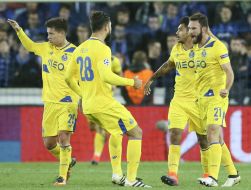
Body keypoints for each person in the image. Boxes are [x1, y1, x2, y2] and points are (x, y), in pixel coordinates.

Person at [65, 11, 151, 188]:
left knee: (117, 132)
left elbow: (68, 78)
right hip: (103, 102)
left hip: (88, 105)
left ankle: (117, 174)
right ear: (106, 27)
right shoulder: (103, 48)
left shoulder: (80, 48)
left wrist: (82, 94)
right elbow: (106, 76)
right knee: (136, 133)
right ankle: (132, 179)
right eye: (110, 25)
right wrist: (131, 82)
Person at [8, 17, 79, 186]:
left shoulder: (75, 53)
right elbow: (30, 46)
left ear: (62, 33)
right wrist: (19, 30)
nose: (48, 37)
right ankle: (68, 160)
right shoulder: (46, 48)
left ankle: (62, 177)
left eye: (51, 34)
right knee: (49, 143)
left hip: (68, 102)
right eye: (48, 34)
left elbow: (82, 78)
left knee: (63, 137)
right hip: (49, 103)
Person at [144, 16, 209, 186]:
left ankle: (208, 174)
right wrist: (151, 78)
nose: (176, 32)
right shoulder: (176, 48)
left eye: (180, 29)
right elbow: (168, 65)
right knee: (174, 134)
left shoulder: (202, 48)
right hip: (179, 99)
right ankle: (173, 175)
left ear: (190, 30)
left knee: (203, 138)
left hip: (198, 100)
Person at [188, 12, 241, 187]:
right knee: (216, 138)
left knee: (212, 131)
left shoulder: (218, 47)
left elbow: (229, 72)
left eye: (193, 28)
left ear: (203, 29)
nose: (190, 32)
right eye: (189, 28)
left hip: (218, 97)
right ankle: (233, 174)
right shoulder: (196, 47)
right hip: (201, 98)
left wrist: (226, 88)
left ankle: (212, 176)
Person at [89, 55, 123, 165]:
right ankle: (98, 156)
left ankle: (96, 156)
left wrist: (114, 84)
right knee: (96, 129)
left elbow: (119, 75)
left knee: (102, 129)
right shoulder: (89, 58)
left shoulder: (114, 60)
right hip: (90, 98)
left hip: (106, 99)